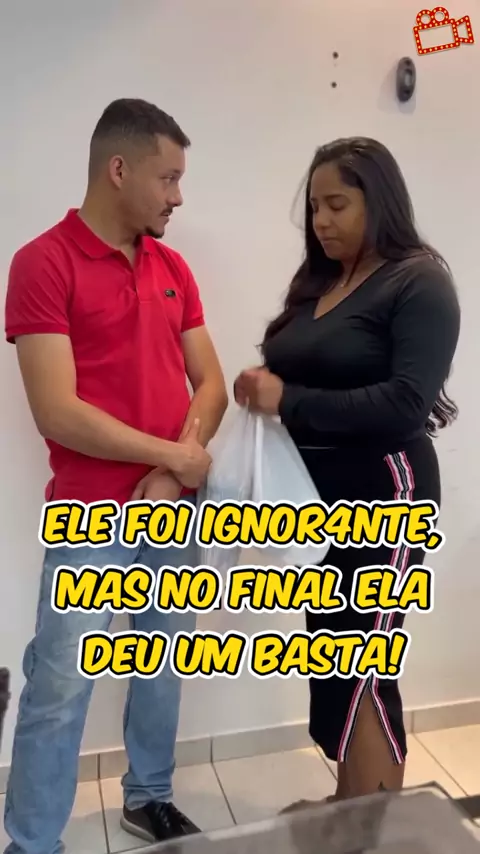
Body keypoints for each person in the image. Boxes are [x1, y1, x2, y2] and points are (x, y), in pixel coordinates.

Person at [4, 98, 228, 853]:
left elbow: (210, 384)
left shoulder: (172, 267)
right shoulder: (42, 262)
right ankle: (33, 842)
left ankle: (149, 797)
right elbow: (57, 410)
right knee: (62, 680)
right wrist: (173, 456)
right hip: (90, 514)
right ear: (119, 169)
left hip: (172, 507)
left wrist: (174, 467)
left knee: (162, 661)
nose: (178, 196)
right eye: (168, 178)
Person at [234, 137, 460, 805]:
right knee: (334, 657)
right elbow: (307, 372)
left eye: (336, 204)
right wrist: (264, 385)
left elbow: (406, 402)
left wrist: (287, 399)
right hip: (319, 498)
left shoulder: (418, 281)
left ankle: (375, 830)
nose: (321, 220)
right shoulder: (324, 283)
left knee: (364, 664)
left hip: (387, 492)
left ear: (378, 200)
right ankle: (348, 807)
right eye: (314, 207)